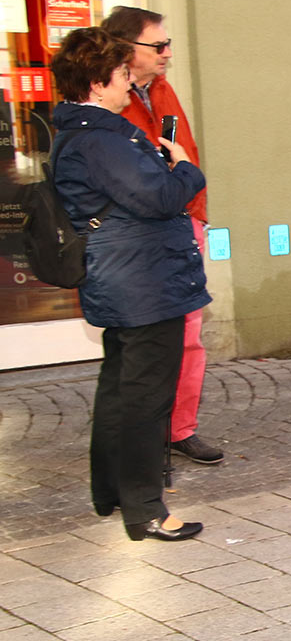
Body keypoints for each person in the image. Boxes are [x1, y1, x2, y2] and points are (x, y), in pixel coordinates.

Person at [48, 27, 208, 542]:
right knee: (145, 397)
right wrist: (186, 170)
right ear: (97, 84)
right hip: (144, 283)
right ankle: (146, 511)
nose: (127, 84)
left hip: (127, 278)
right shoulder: (99, 139)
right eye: (121, 76)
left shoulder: (86, 134)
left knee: (120, 390)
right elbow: (159, 197)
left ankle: (110, 492)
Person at [101, 6, 222, 466]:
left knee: (189, 334)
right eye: (159, 45)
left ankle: (178, 430)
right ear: (125, 49)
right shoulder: (107, 101)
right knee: (145, 339)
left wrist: (198, 218)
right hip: (138, 232)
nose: (168, 52)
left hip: (182, 220)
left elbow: (185, 155)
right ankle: (141, 436)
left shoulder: (162, 89)